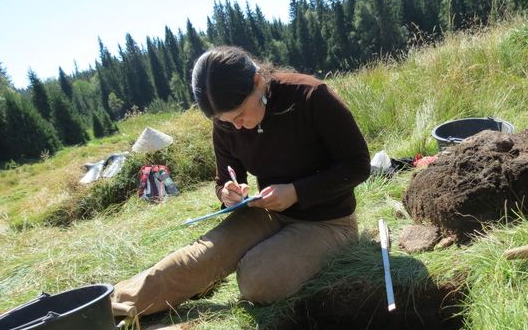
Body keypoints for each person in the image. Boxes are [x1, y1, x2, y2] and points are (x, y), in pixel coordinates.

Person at [112, 46, 371, 316]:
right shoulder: (225, 121)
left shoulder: (311, 97)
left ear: (257, 82)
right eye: (226, 121)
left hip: (328, 222)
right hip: (269, 212)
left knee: (256, 280)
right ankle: (112, 305)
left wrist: (296, 192)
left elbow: (357, 165)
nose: (236, 126)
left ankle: (264, 258)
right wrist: (228, 193)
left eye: (240, 115)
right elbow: (224, 178)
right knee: (200, 258)